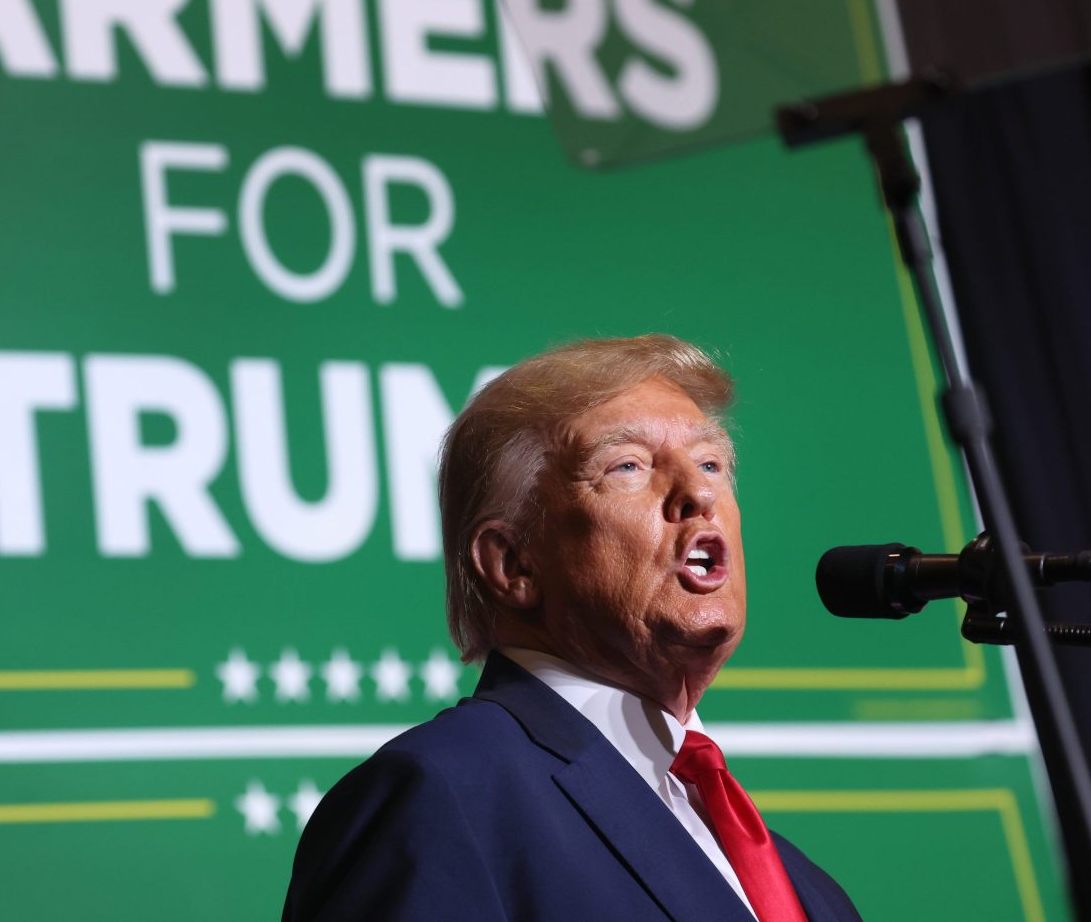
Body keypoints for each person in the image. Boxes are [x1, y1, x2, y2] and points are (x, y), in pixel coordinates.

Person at [283, 335, 862, 921]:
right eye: (628, 466)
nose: (699, 492)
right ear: (514, 564)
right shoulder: (441, 796)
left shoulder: (807, 888)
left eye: (711, 462)